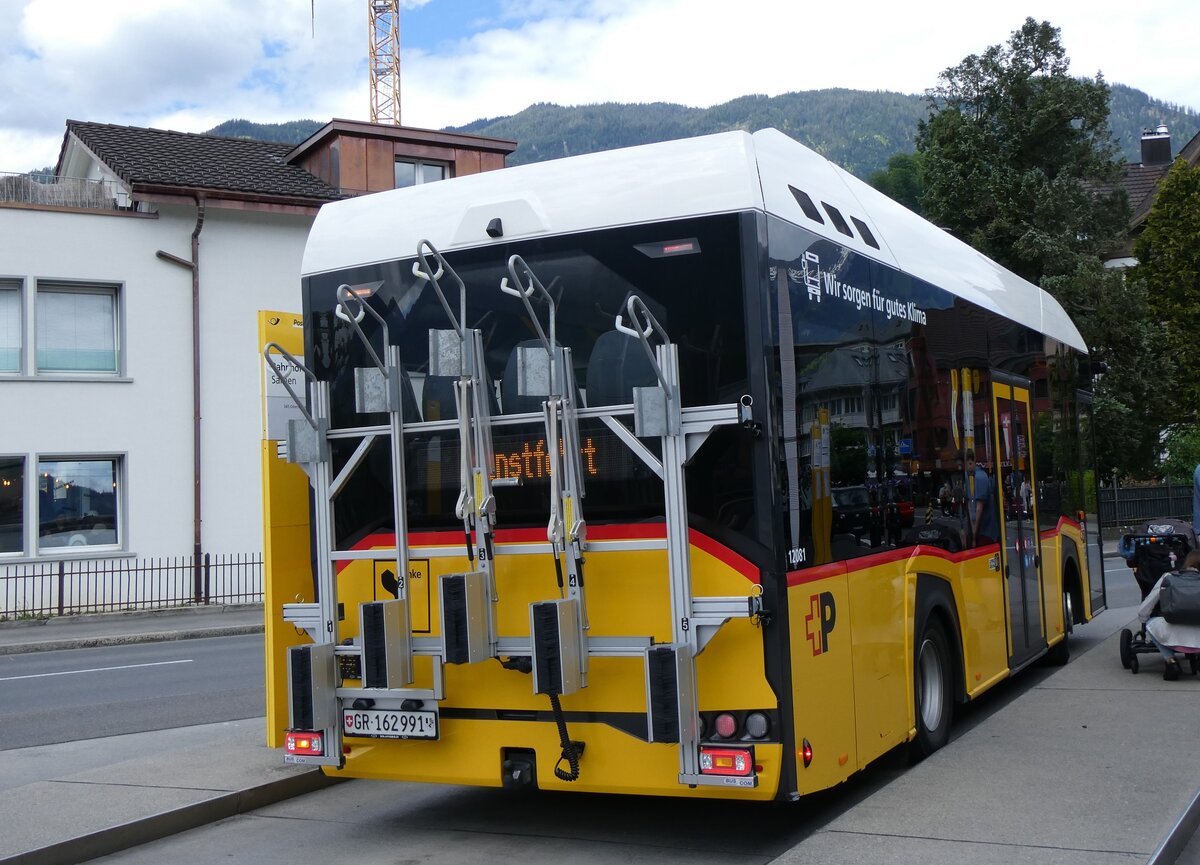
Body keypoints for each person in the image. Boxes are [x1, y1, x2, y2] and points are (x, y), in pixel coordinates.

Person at [1138, 549, 1200, 680]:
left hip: (1172, 635)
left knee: (1150, 623)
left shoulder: (1169, 577)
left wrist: (1144, 619)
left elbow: (1146, 607)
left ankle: (1170, 660)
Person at [966, 450, 998, 546]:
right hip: (985, 533)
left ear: (970, 462)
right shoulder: (977, 476)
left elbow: (978, 510)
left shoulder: (979, 478)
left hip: (985, 534)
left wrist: (973, 537)